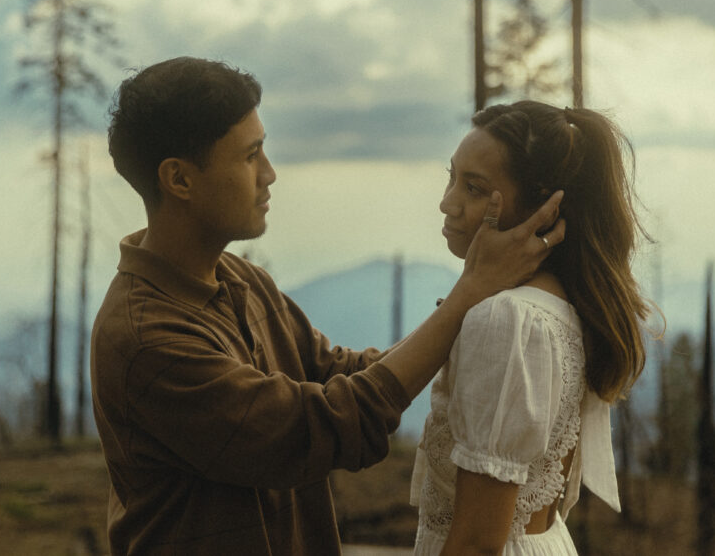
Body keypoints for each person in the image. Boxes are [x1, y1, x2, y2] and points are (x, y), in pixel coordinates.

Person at [91, 57, 566, 555]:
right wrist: (470, 294)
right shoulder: (146, 338)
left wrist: (479, 319)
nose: (270, 174)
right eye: (250, 156)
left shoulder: (243, 281)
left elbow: (342, 372)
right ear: (179, 180)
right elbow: (320, 425)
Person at [410, 100, 654, 555]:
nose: (448, 202)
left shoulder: (507, 321)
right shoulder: (560, 303)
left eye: (474, 188)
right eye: (452, 177)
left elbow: (478, 541)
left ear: (544, 207)